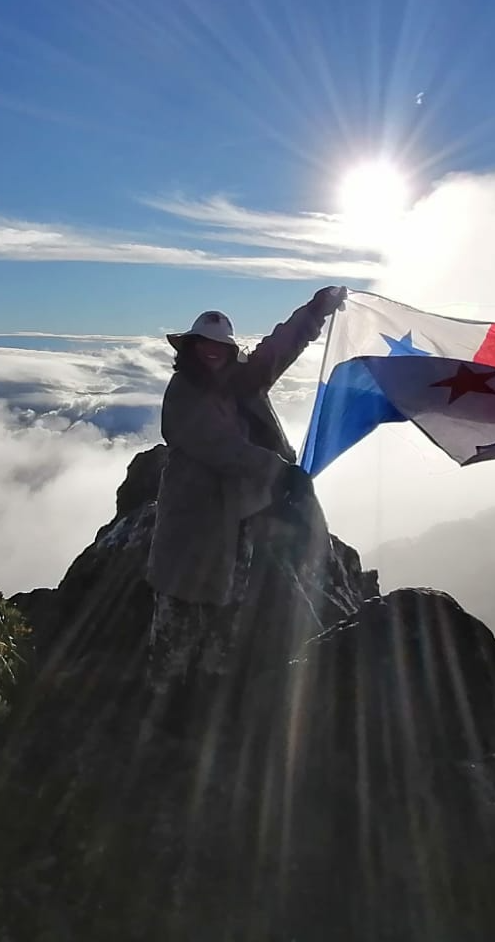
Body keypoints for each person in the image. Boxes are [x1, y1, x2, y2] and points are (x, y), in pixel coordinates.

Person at [144, 285, 347, 699]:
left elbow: (277, 349)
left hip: (236, 519)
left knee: (225, 608)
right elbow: (220, 446)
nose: (212, 351)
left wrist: (315, 312)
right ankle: (163, 700)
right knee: (180, 610)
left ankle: (205, 693)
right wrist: (281, 473)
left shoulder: (239, 382)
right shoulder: (183, 392)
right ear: (191, 347)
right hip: (192, 524)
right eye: (204, 344)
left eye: (219, 345)